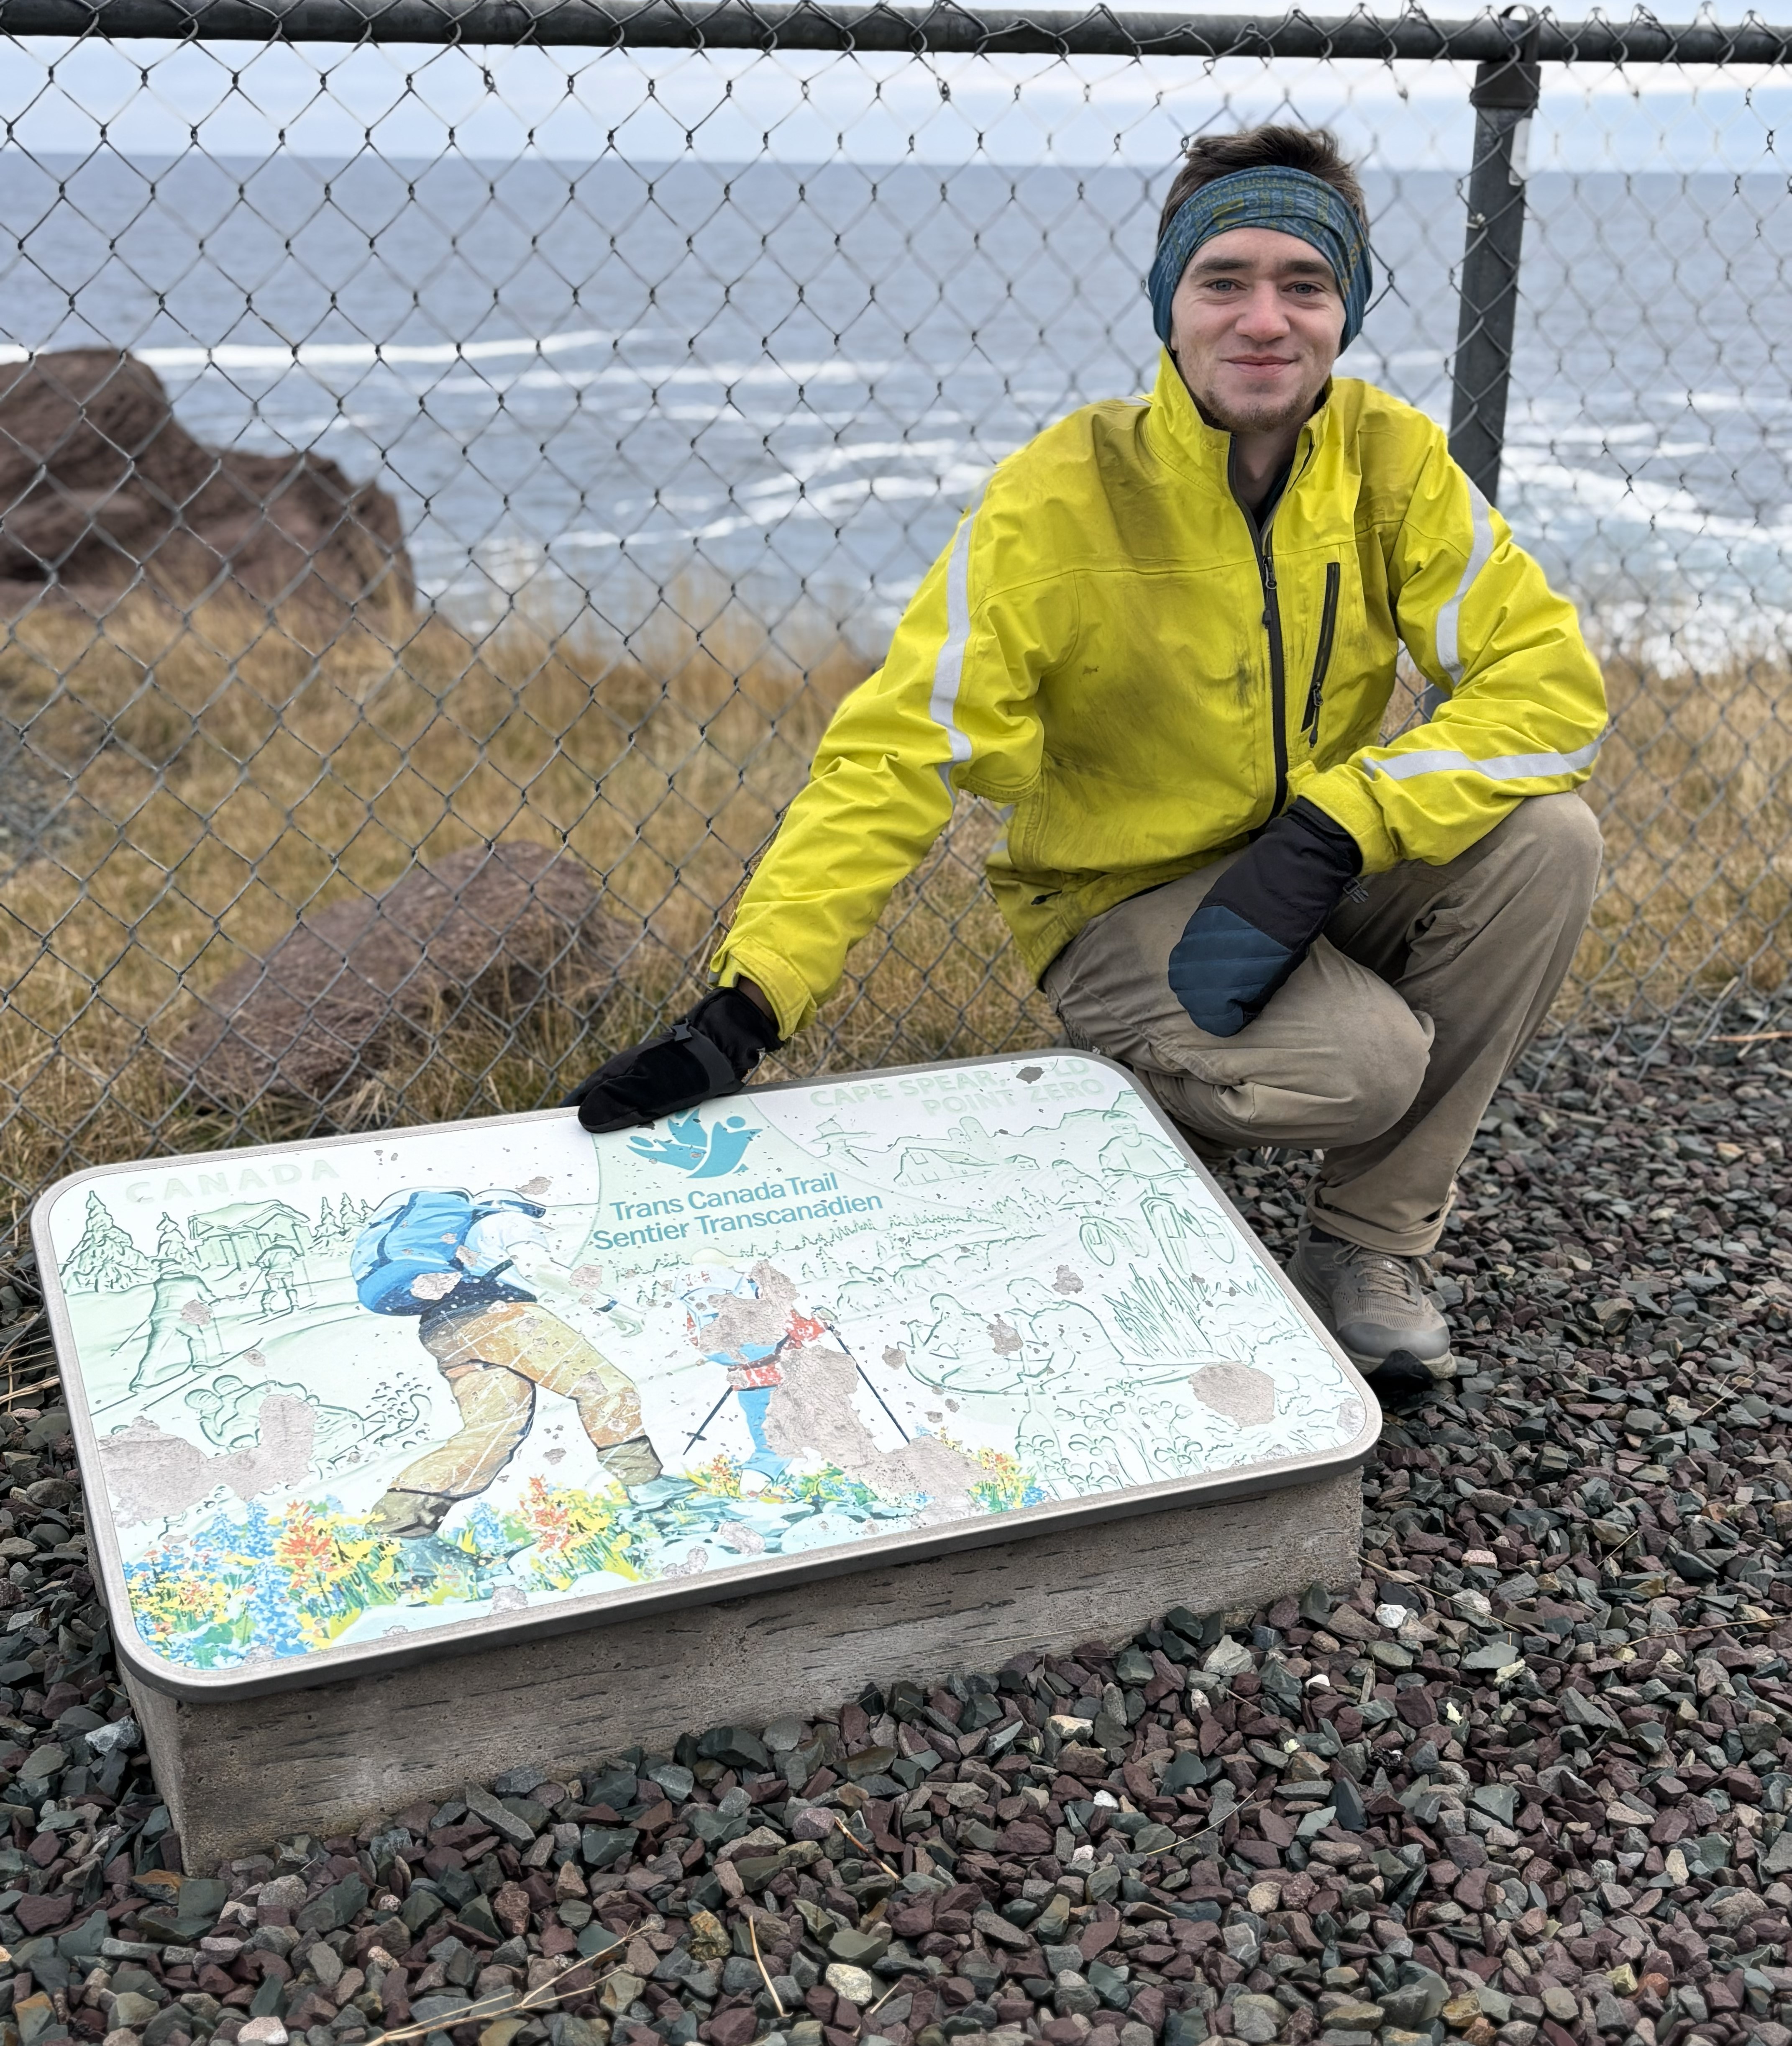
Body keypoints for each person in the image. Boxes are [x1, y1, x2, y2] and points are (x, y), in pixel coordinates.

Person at [565, 125, 1607, 1386]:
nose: (1264, 319)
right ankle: (1140, 1110)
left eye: (1304, 283)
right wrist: (749, 1004)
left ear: (1350, 308)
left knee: (1551, 841)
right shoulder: (1061, 494)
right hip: (1124, 904)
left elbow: (1548, 688)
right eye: (1224, 280)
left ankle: (1366, 1245)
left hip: (1308, 869)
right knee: (1367, 1064)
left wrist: (1345, 823)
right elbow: (897, 751)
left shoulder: (1391, 462)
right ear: (1170, 302)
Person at [359, 1187, 662, 1549]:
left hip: (442, 1330)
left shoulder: (446, 1239)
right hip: (504, 1317)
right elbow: (538, 1269)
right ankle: (649, 1489)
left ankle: (398, 1527)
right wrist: (614, 1308)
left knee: (492, 1432)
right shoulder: (506, 1221)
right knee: (605, 1387)